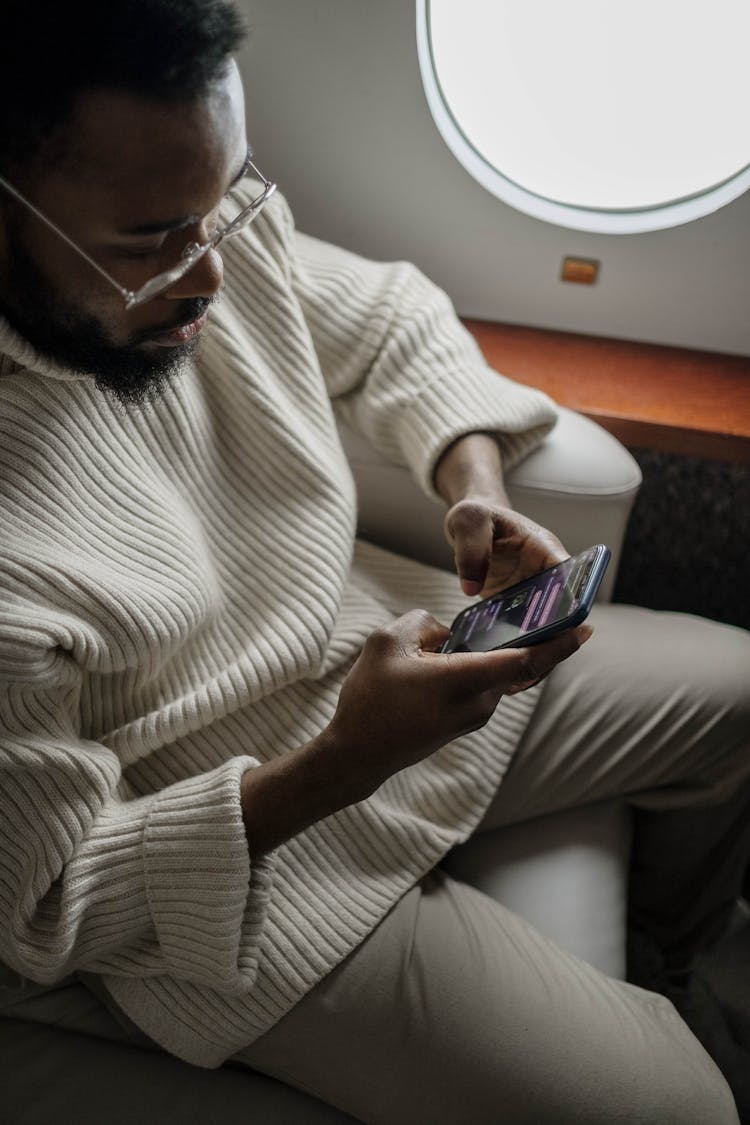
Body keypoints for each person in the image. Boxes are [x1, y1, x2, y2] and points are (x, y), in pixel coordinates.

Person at [0, 2, 748, 1122]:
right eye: (150, 244)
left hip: (365, 655)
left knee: (739, 692)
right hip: (227, 876)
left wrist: (476, 493)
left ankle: (664, 957)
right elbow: (52, 904)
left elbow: (391, 323)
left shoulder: (202, 222)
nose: (211, 274)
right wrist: (350, 758)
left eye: (225, 205)